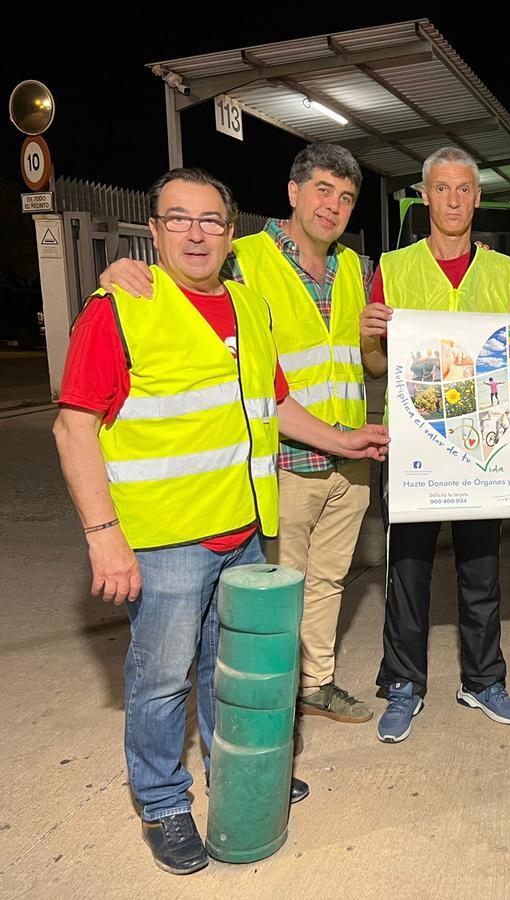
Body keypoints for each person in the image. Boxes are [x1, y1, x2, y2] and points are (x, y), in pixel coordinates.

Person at [54, 168, 388, 875]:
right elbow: (73, 426)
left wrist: (344, 439)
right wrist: (103, 536)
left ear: (231, 233)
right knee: (160, 679)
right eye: (179, 219)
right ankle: (161, 800)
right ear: (154, 231)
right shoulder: (119, 308)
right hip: (168, 539)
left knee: (228, 673)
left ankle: (233, 779)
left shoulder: (246, 305)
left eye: (211, 220)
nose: (197, 233)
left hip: (243, 530)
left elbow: (276, 405)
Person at [99, 144, 378, 727]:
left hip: (347, 459)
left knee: (328, 583)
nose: (333, 206)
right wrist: (121, 272)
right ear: (293, 193)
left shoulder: (354, 266)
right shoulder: (242, 256)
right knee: (267, 608)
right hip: (279, 466)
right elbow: (181, 286)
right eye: (322, 190)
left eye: (346, 197)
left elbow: (364, 360)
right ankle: (268, 711)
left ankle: (315, 683)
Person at [360, 146, 510, 742]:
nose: (452, 200)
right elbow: (377, 365)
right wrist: (369, 337)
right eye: (441, 189)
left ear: (477, 198)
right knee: (408, 571)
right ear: (424, 196)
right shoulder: (393, 267)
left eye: (463, 189)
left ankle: (482, 681)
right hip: (415, 449)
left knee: (482, 570)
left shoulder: (506, 274)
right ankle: (403, 684)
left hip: (486, 453)